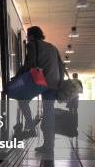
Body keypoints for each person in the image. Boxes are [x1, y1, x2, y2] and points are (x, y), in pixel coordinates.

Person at [18, 26, 64, 154]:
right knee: (49, 113)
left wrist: (18, 76)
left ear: (31, 36)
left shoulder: (32, 45)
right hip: (53, 84)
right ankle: (49, 145)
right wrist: (59, 84)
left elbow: (29, 64)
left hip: (40, 82)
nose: (27, 38)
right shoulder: (53, 47)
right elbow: (61, 67)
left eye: (28, 35)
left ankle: (31, 128)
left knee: (22, 100)